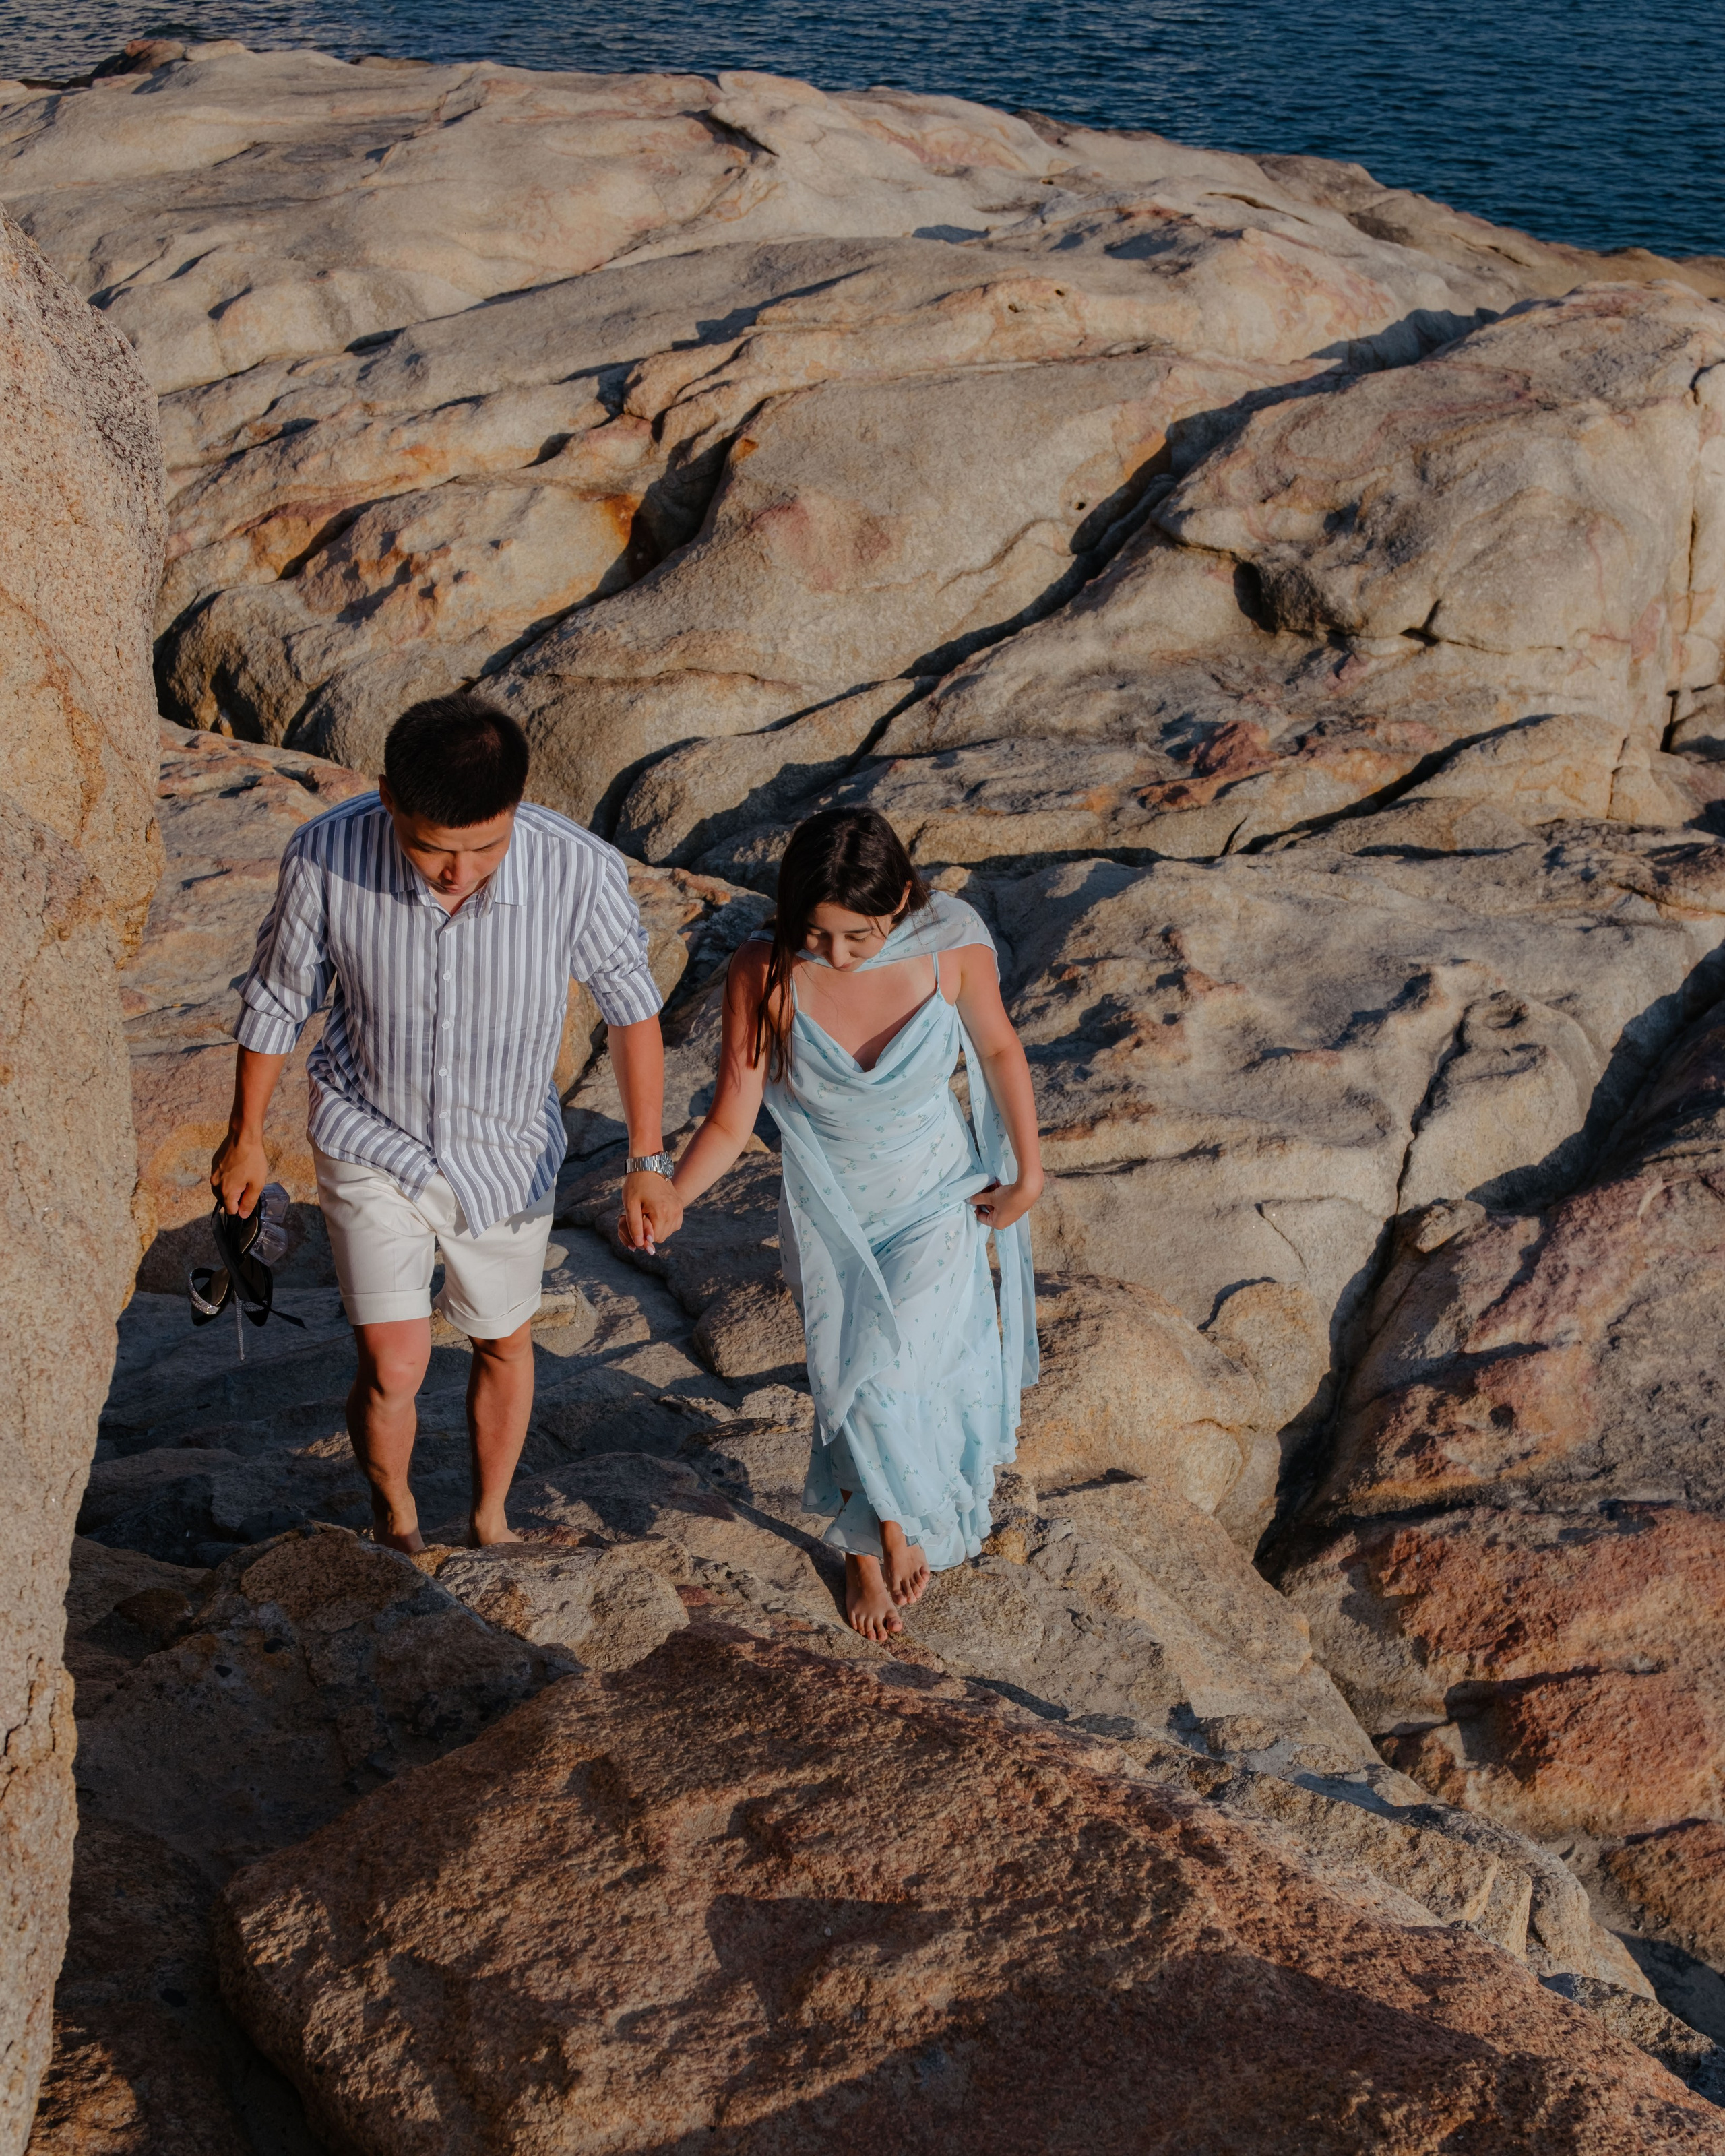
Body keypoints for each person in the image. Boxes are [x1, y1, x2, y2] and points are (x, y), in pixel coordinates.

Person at [210, 693, 683, 1552]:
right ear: (389, 796)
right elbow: (278, 999)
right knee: (394, 1364)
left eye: (485, 849)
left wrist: (646, 1158)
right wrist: (245, 1135)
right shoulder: (325, 854)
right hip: (369, 1135)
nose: (459, 872)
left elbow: (631, 1009)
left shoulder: (577, 870)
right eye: (434, 850)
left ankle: (491, 1519)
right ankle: (395, 1519)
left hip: (508, 1149)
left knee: (502, 1340)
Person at [634, 808, 1041, 1641]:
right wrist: (673, 1190)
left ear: (898, 899)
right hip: (829, 1217)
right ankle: (865, 1542)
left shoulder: (950, 950)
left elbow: (999, 1051)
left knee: (886, 1377)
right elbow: (732, 1115)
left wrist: (1028, 1170)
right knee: (848, 1378)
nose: (835, 954)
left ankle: (884, 1529)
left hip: (935, 1200)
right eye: (816, 933)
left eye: (857, 935)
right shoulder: (766, 969)